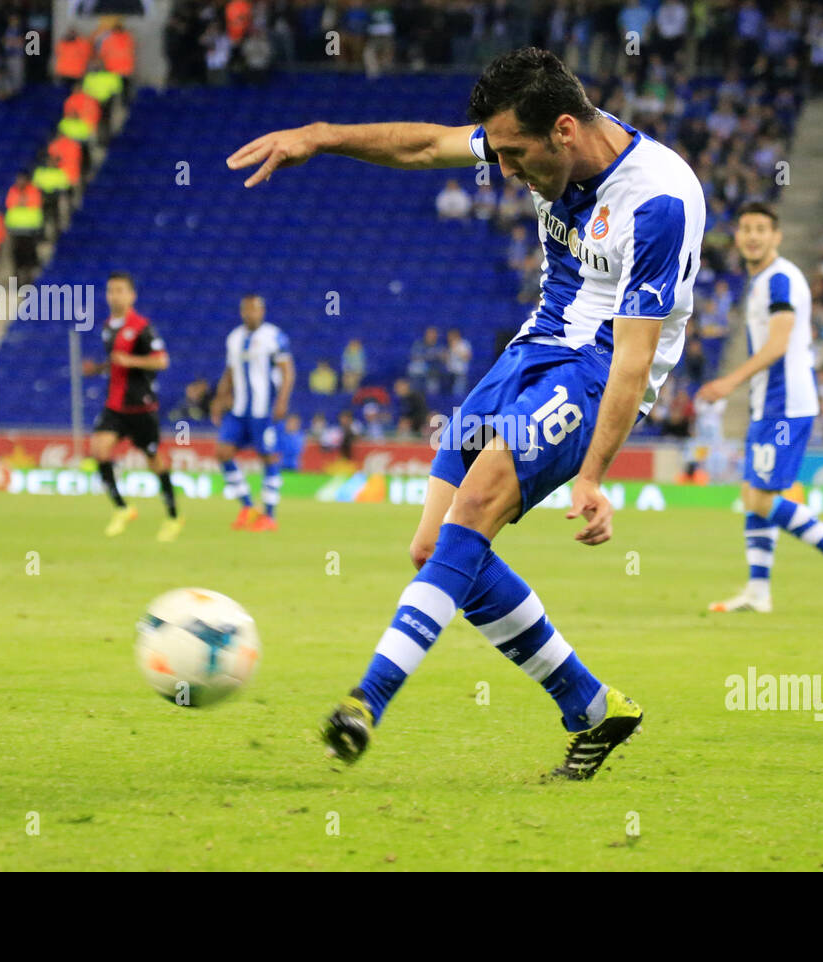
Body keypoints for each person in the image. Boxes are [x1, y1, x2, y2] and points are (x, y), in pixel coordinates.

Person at [229, 47, 706, 779]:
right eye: (501, 153)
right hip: (534, 347)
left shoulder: (658, 201)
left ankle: (368, 700)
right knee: (434, 549)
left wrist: (594, 474)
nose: (506, 171)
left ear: (566, 131)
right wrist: (320, 135)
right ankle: (590, 705)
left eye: (516, 156)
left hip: (601, 368)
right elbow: (423, 144)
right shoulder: (534, 138)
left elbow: (637, 357)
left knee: (477, 501)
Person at [700, 203, 823, 613]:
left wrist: (729, 382)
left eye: (762, 229)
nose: (753, 236)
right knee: (752, 492)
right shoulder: (761, 281)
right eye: (746, 229)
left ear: (776, 236)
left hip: (785, 404)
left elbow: (778, 344)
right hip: (769, 404)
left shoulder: (780, 280)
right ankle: (758, 592)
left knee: (759, 498)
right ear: (738, 237)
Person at [81, 272, 183, 541]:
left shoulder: (141, 327)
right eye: (110, 290)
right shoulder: (107, 327)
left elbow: (161, 361)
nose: (114, 295)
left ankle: (173, 516)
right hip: (114, 406)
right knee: (99, 450)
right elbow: (116, 360)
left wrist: (130, 362)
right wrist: (99, 368)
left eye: (120, 290)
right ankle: (122, 508)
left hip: (141, 407)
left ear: (131, 295)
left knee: (155, 460)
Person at [211, 294, 294, 532]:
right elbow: (229, 371)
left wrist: (282, 401)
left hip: (264, 410)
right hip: (239, 410)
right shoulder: (234, 338)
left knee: (268, 457)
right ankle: (248, 506)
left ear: (262, 311)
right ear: (241, 312)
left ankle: (269, 515)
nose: (251, 314)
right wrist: (219, 398)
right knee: (222, 452)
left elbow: (288, 371)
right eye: (246, 310)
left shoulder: (274, 336)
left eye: (255, 309)